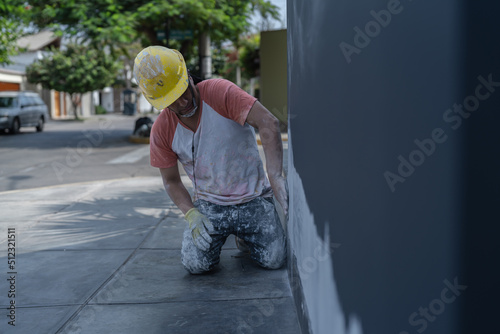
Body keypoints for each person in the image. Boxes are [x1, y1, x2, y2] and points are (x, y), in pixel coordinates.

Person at [133, 46, 288, 274]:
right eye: (172, 100)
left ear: (186, 75)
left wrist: (274, 176)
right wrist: (191, 213)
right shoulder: (162, 129)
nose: (182, 102)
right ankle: (232, 233)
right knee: (195, 264)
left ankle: (245, 238)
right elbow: (171, 181)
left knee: (274, 259)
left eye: (183, 90)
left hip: (254, 198)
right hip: (210, 205)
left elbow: (268, 123)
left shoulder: (219, 92)